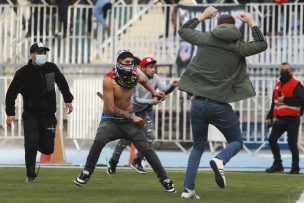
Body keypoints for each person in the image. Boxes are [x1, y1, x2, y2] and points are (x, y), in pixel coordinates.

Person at [178, 7, 267, 199]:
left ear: (217, 25)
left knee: (198, 146)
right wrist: (251, 22)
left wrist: (202, 16)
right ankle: (220, 159)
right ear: (234, 27)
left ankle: (188, 190)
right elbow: (261, 44)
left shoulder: (204, 38)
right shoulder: (239, 47)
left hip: (197, 103)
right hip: (219, 104)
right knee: (236, 141)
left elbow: (183, 30)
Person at [73, 49, 176, 193]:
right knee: (98, 142)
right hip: (110, 120)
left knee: (147, 149)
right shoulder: (108, 80)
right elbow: (110, 108)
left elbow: (145, 81)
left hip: (128, 122)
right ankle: (86, 173)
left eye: (132, 62)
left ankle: (165, 179)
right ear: (118, 63)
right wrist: (132, 117)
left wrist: (154, 92)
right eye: (126, 62)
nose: (130, 65)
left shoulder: (135, 75)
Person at [5, 42, 74, 183]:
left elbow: (62, 83)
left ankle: (35, 143)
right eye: (39, 52)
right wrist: (10, 113)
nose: (42, 55)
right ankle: (30, 175)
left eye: (44, 52)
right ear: (32, 54)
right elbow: (11, 94)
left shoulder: (51, 68)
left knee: (49, 149)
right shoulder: (22, 73)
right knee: (31, 144)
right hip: (31, 115)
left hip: (49, 116)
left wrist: (68, 99)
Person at [107, 56, 179, 174]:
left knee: (150, 137)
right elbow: (135, 100)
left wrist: (172, 86)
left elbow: (163, 89)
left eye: (154, 67)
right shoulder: (136, 78)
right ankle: (113, 161)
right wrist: (152, 101)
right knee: (125, 140)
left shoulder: (155, 77)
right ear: (143, 68)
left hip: (142, 112)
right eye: (151, 67)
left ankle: (137, 161)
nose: (154, 70)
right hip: (129, 112)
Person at [265, 62, 304, 175]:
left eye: (286, 70)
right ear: (279, 71)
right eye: (282, 70)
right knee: (272, 140)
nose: (284, 72)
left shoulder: (296, 84)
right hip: (280, 119)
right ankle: (278, 164)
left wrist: (286, 100)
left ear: (290, 71)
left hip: (292, 119)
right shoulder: (277, 85)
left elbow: (301, 100)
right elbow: (274, 103)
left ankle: (295, 167)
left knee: (292, 144)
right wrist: (269, 116)